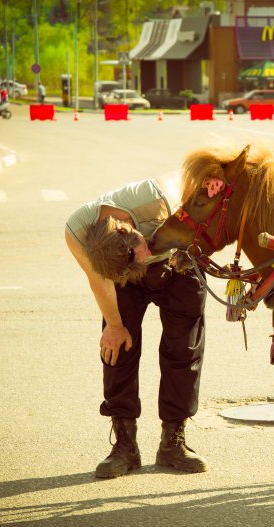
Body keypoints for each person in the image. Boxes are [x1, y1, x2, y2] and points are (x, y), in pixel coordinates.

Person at [65, 179, 208, 479]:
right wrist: (115, 326)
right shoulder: (76, 230)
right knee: (117, 348)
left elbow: (205, 231)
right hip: (121, 280)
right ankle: (125, 446)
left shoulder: (162, 201)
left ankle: (172, 441)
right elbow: (99, 280)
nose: (142, 258)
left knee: (183, 347)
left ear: (128, 228)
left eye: (138, 251)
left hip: (175, 261)